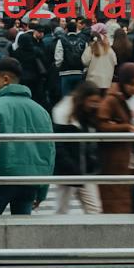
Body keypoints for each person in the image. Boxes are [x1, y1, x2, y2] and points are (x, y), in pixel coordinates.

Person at [0, 58, 54, 215]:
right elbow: (48, 153)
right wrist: (42, 190)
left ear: (5, 79)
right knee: (21, 231)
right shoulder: (41, 111)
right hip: (30, 182)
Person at [95, 63, 134, 214]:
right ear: (124, 83)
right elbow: (101, 124)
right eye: (132, 84)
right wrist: (124, 127)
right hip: (117, 159)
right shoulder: (111, 100)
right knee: (121, 206)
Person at [51, 81, 104, 215]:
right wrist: (69, 167)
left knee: (95, 210)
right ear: (83, 99)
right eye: (91, 101)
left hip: (86, 170)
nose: (94, 105)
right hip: (68, 171)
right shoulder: (64, 112)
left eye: (96, 102)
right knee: (61, 211)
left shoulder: (89, 114)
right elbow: (59, 145)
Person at [52, 21, 88, 98]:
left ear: (67, 29)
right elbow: (86, 57)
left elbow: (59, 57)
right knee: (78, 98)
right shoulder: (83, 41)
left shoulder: (61, 40)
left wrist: (58, 66)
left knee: (66, 98)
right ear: (76, 29)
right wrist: (84, 68)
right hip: (79, 72)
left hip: (65, 72)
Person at [82, 23, 119, 90]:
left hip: (93, 82)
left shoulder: (90, 48)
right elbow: (115, 62)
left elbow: (85, 61)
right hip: (107, 81)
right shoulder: (109, 49)